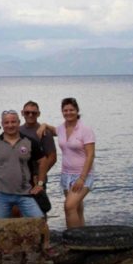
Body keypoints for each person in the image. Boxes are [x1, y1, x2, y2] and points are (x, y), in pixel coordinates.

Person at [0, 110, 48, 218]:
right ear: (2, 124)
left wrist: (40, 183)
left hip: (25, 193)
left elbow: (43, 161)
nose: (10, 125)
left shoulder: (30, 142)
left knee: (40, 221)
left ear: (18, 122)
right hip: (1, 194)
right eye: (7, 123)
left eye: (13, 122)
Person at [40, 98, 95, 228]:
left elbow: (91, 155)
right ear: (62, 112)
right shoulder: (61, 128)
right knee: (77, 208)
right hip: (66, 175)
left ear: (77, 111)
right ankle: (83, 238)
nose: (68, 112)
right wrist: (44, 125)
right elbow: (53, 130)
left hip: (82, 176)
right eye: (65, 110)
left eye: (71, 110)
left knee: (69, 207)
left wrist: (82, 178)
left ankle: (73, 240)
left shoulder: (85, 130)